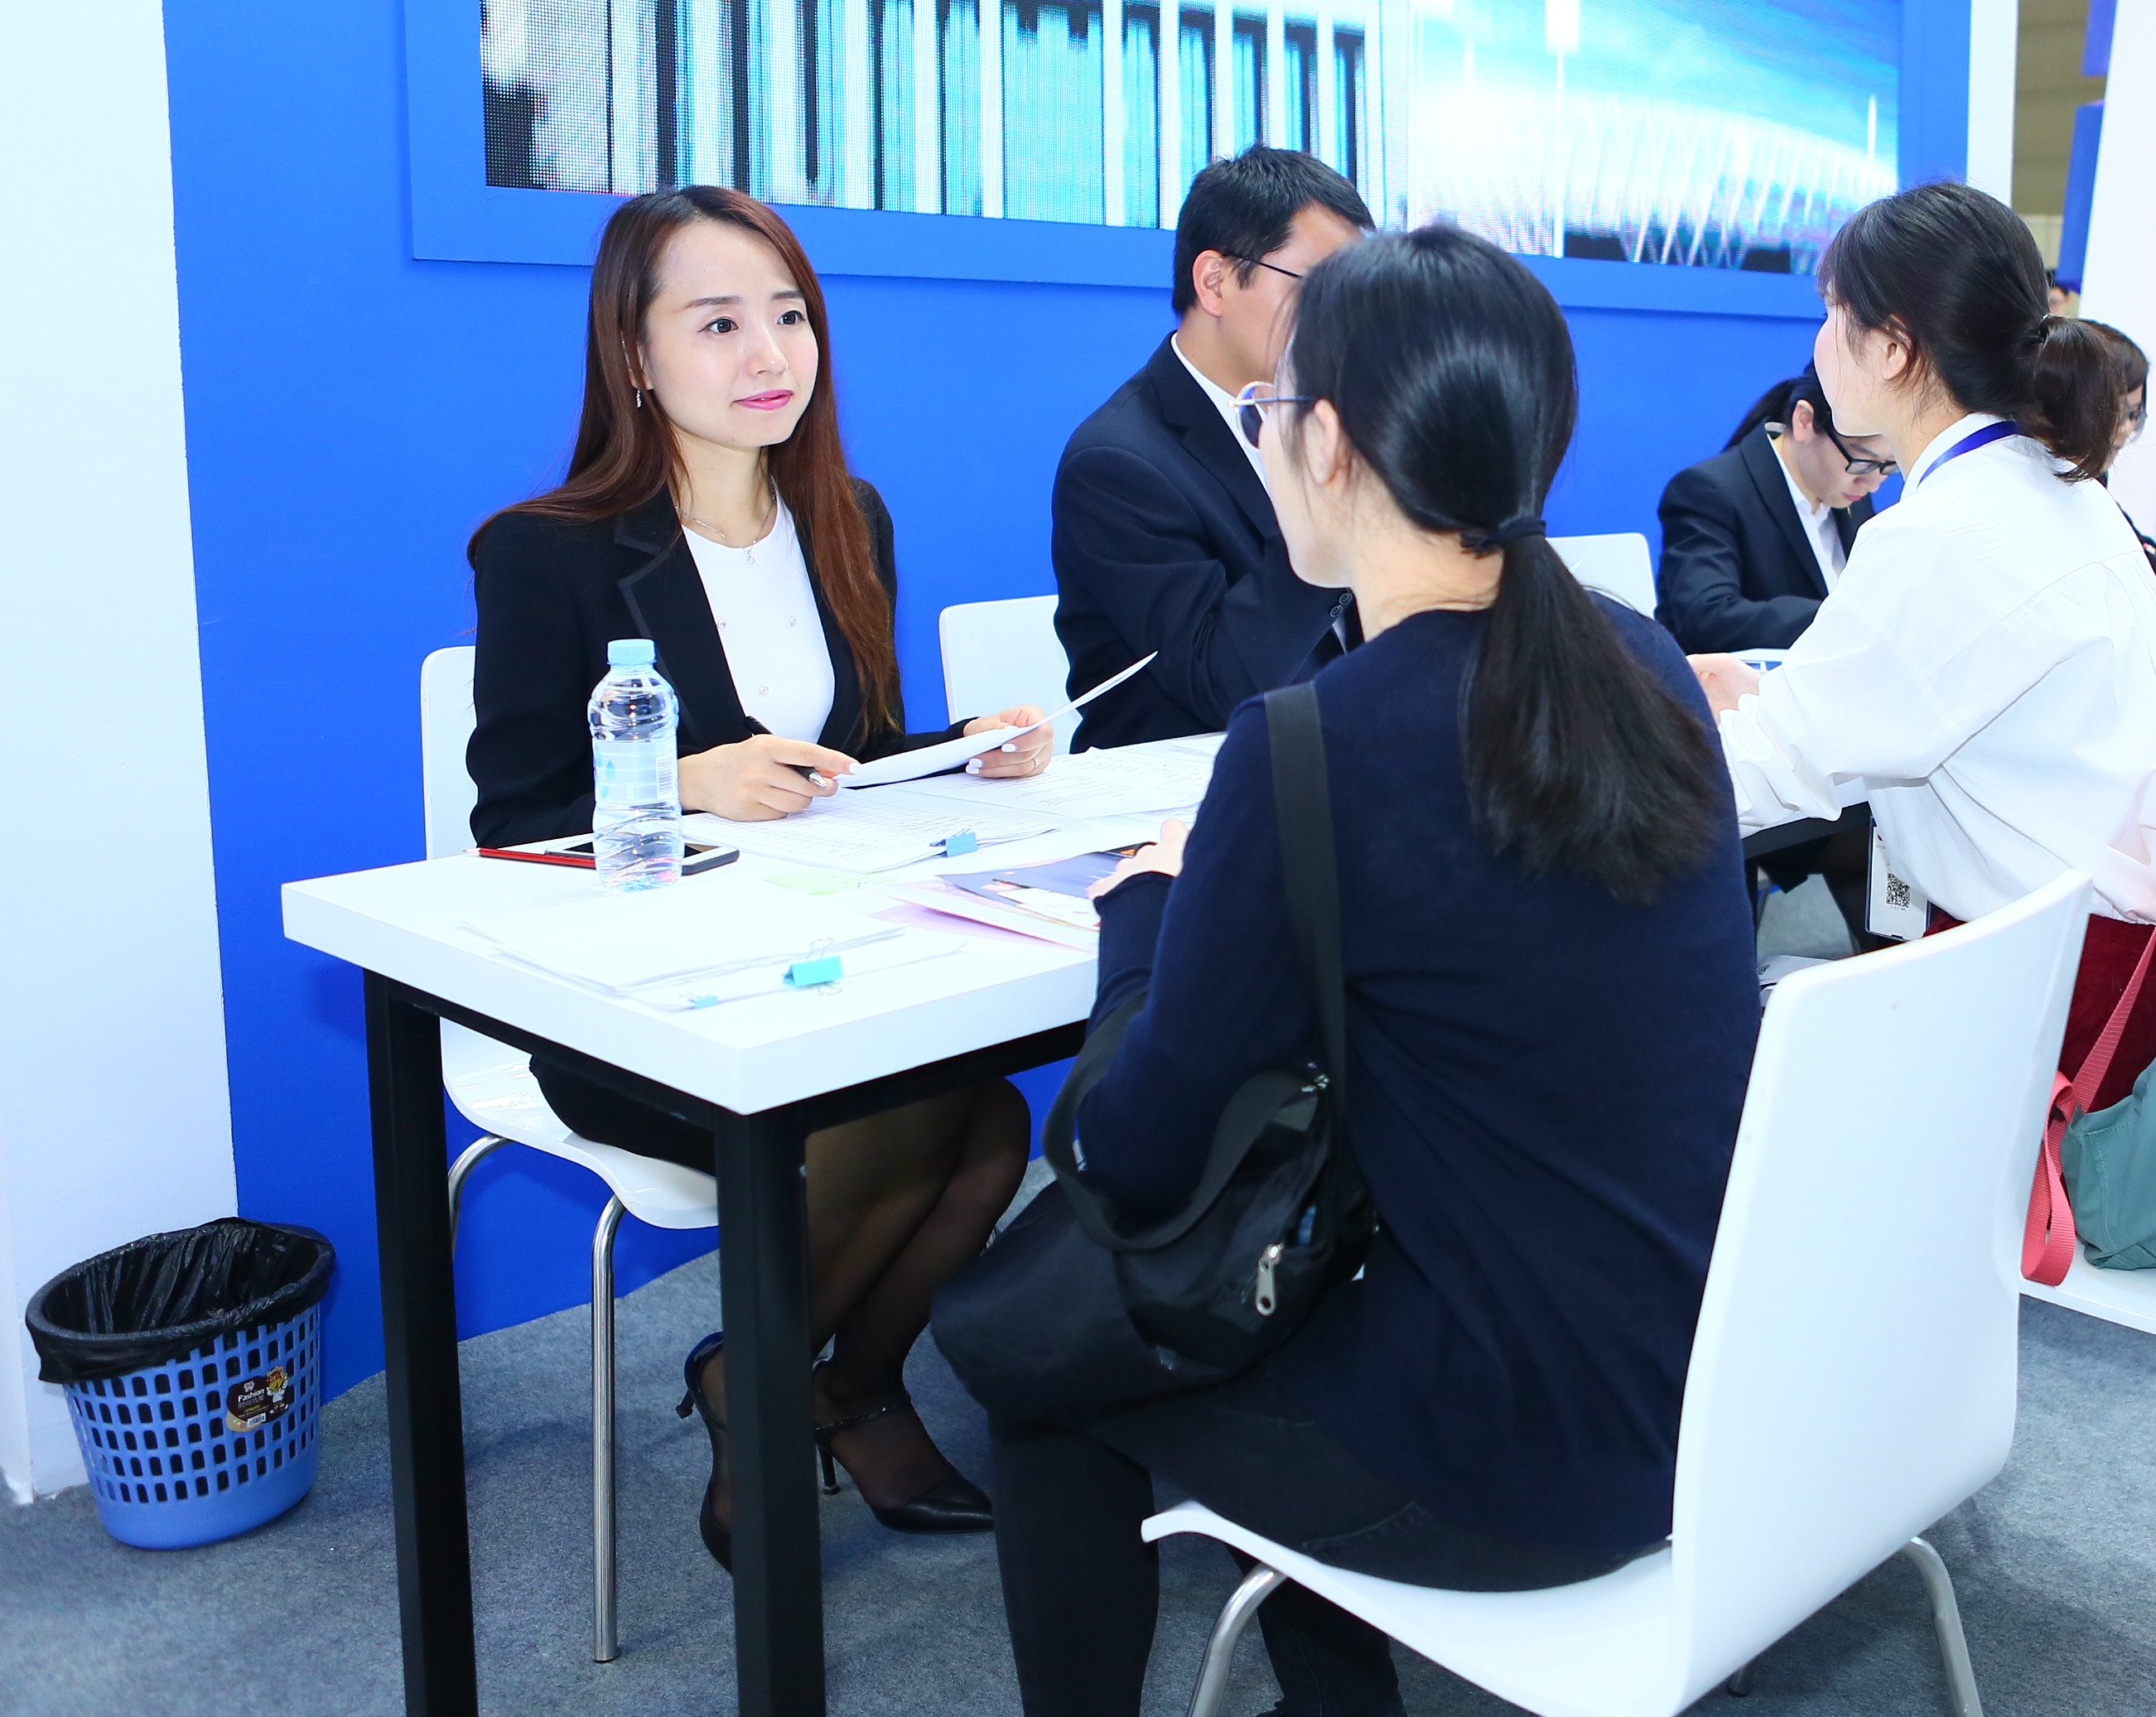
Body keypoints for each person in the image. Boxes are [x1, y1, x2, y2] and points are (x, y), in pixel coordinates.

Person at [988, 226, 1761, 1717]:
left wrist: (1147, 914)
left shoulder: (1315, 746)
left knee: (1033, 1366)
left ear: (1329, 439)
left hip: (1526, 1453)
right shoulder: (1645, 665)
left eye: (1273, 411)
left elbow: (1137, 1161)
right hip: (1716, 1385)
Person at [467, 186, 1043, 1565]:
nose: (770, 353)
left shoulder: (848, 519)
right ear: (635, 353)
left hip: (821, 958)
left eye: (789, 316)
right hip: (635, 996)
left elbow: (849, 753)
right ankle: (771, 1391)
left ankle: (837, 1388)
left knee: (989, 1126)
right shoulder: (545, 554)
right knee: (917, 1108)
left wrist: (965, 747)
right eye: (718, 323)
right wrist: (678, 782)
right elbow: (512, 820)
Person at [1690, 181, 2156, 1097]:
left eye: (1832, 314)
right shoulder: (2054, 486)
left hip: (2057, 1021)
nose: (1819, 344)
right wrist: (1768, 701)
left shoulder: (1943, 531)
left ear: (1894, 347)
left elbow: (1768, 774)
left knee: (1723, 1056)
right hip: (2143, 983)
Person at [1051, 147, 1372, 749]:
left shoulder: (1331, 420)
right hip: (1187, 789)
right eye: (1318, 289)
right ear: (1215, 282)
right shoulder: (1117, 463)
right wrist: (1334, 506)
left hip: (1342, 764)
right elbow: (1220, 685)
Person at [1652, 367, 1893, 655]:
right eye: (1863, 462)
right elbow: (1708, 618)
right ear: (1805, 421)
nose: (1873, 484)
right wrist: (1844, 619)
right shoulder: (1709, 491)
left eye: (1890, 466)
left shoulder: (1849, 490)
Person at [2068, 319, 2156, 607]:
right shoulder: (2036, 489)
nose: (2124, 429)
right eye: (2113, 412)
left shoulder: (2091, 481)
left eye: (2133, 415)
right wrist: (2152, 589)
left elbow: (2143, 551)